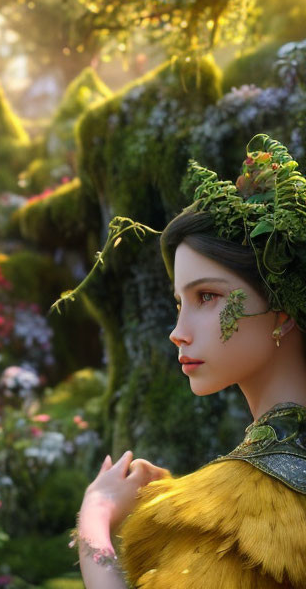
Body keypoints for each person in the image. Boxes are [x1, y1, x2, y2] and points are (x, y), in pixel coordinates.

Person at [55, 134, 306, 588]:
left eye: (207, 296)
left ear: (283, 309)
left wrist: (94, 514)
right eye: (178, 303)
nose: (178, 331)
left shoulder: (247, 506)